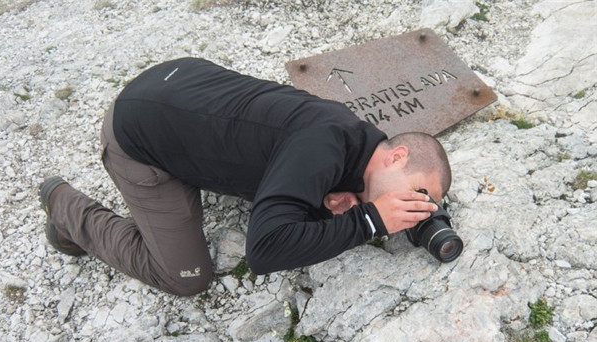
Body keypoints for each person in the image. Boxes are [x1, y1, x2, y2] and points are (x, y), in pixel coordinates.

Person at [39, 57, 451, 296]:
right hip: (139, 133)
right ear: (397, 156)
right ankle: (64, 205)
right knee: (185, 277)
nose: (416, 209)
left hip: (182, 81)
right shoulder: (323, 145)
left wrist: (341, 209)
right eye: (418, 193)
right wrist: (369, 220)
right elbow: (265, 251)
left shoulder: (355, 143)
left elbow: (303, 188)